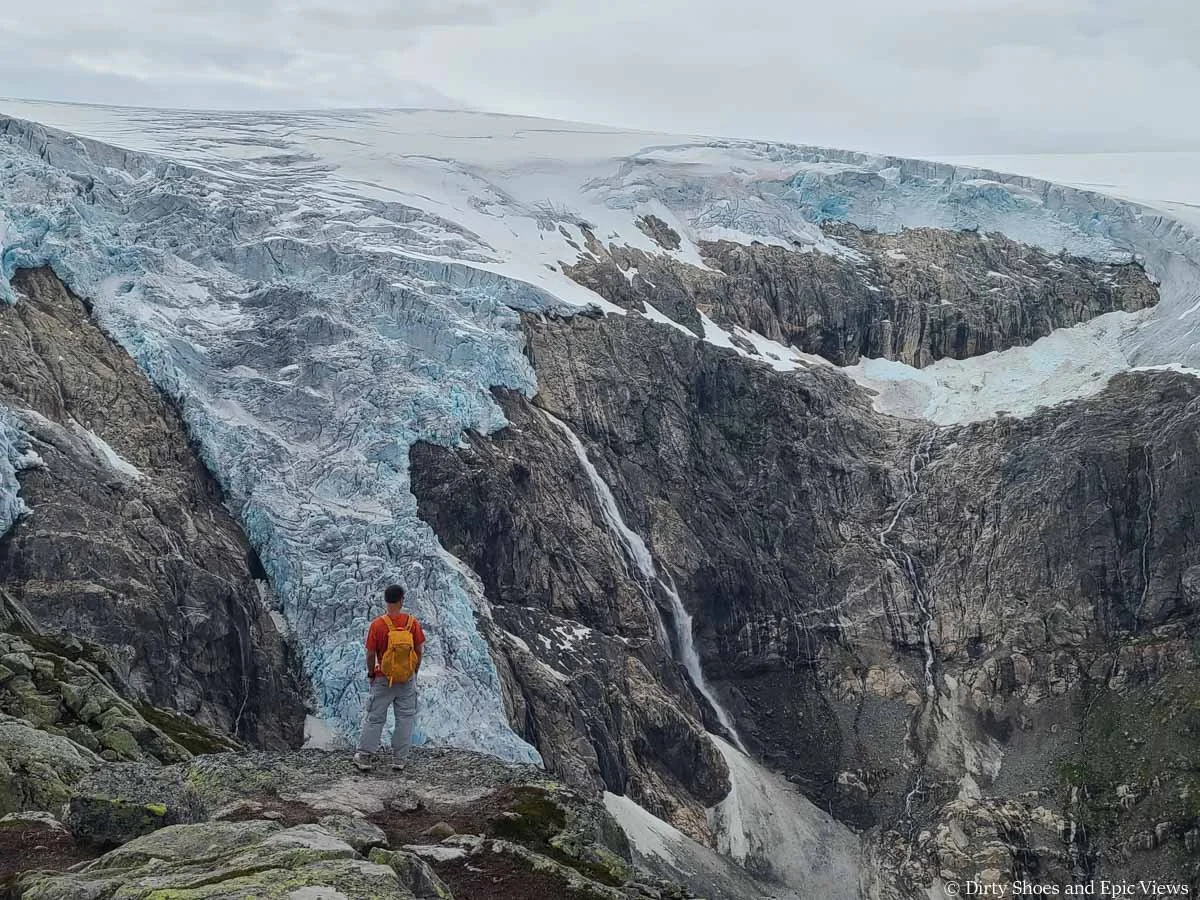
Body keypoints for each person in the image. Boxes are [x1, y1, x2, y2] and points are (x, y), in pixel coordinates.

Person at [353, 584, 425, 772]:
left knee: (375, 717)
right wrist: (413, 671)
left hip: (384, 679)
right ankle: (399, 760)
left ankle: (365, 756)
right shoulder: (411, 623)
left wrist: (371, 673)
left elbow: (370, 654)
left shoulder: (378, 625)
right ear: (401, 600)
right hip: (406, 680)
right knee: (405, 718)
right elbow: (418, 650)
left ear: (386, 600)